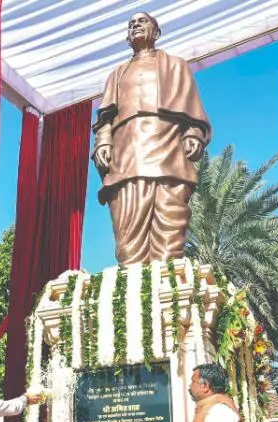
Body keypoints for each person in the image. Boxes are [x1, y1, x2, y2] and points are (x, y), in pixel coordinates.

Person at [92, 11, 212, 265]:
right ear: (127, 37)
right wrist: (103, 140)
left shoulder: (176, 65)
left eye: (142, 21)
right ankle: (133, 289)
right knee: (127, 231)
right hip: (127, 149)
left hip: (167, 142)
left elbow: (193, 110)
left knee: (170, 219)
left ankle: (167, 290)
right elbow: (105, 118)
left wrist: (193, 133)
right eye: (131, 24)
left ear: (156, 32)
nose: (136, 25)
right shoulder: (117, 73)